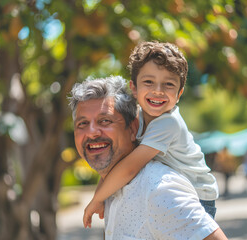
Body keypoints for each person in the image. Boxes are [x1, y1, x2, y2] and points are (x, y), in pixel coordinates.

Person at [69, 75, 228, 239]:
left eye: (104, 121)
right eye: (82, 124)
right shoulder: (113, 189)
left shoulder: (159, 190)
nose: (92, 132)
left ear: (133, 129)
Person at [83, 41, 219, 228]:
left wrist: (97, 199)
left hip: (197, 197)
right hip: (169, 193)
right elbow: (117, 161)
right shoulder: (135, 118)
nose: (158, 91)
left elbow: (129, 168)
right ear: (134, 88)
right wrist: (100, 195)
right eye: (148, 82)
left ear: (179, 94)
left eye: (168, 84)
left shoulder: (168, 123)